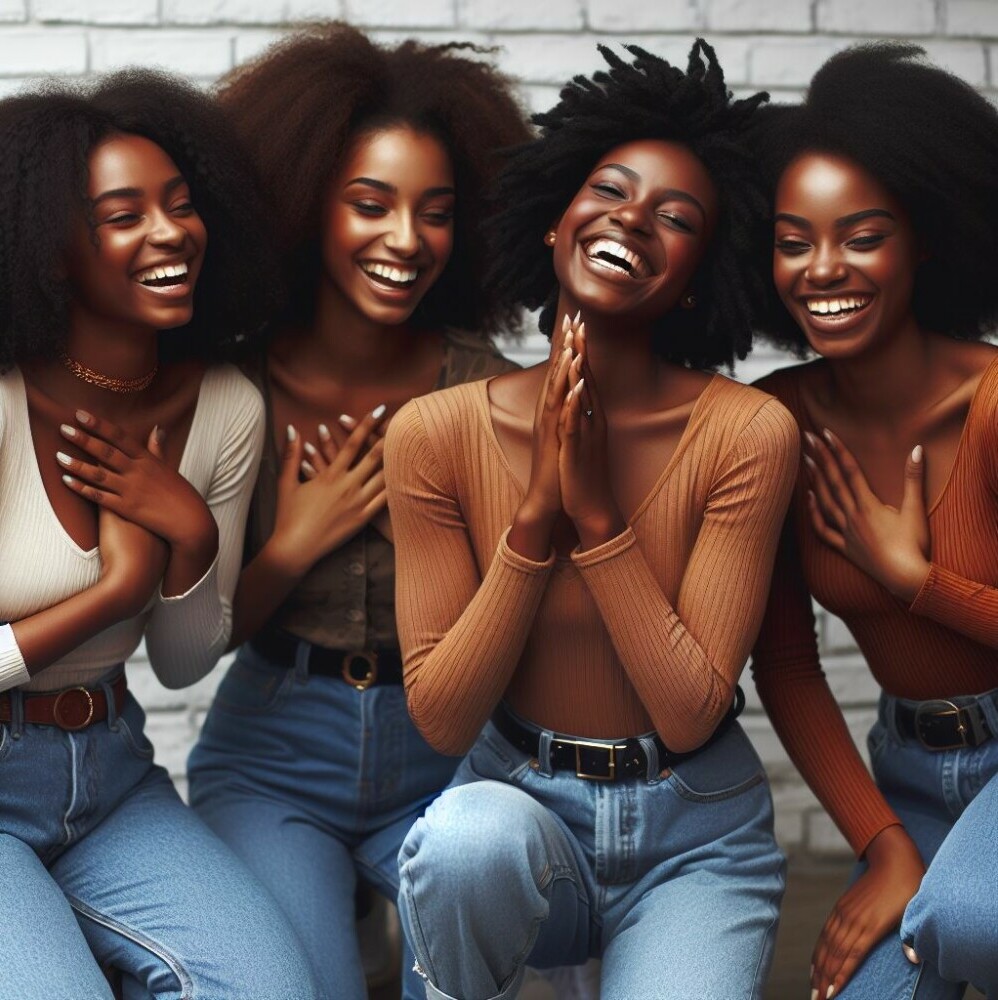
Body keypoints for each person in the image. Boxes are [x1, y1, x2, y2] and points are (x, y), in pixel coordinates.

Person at [385, 41, 799, 1000]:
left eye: (676, 217)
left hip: (692, 835)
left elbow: (692, 710)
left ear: (700, 275)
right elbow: (444, 718)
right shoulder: (436, 434)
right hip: (518, 808)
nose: (632, 220)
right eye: (609, 190)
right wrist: (535, 520)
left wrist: (600, 513)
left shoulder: (748, 432)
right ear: (553, 221)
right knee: (461, 841)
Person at [185, 22, 529, 1000]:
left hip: (451, 753)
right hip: (274, 753)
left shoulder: (489, 392)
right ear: (304, 208)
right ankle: (340, 913)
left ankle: (380, 907)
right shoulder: (234, 385)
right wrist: (293, 541)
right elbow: (194, 642)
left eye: (435, 212)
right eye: (369, 205)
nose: (404, 241)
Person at [0, 71, 317, 999]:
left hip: (109, 777)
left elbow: (181, 666)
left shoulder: (225, 405)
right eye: (123, 215)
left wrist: (189, 538)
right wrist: (111, 593)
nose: (171, 232)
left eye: (182, 206)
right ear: (53, 253)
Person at [749, 42, 998, 1000]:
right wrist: (884, 846)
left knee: (968, 919)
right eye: (792, 239)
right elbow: (786, 663)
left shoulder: (988, 406)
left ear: (922, 239)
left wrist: (915, 582)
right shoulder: (781, 420)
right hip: (910, 780)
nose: (823, 269)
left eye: (861, 235)